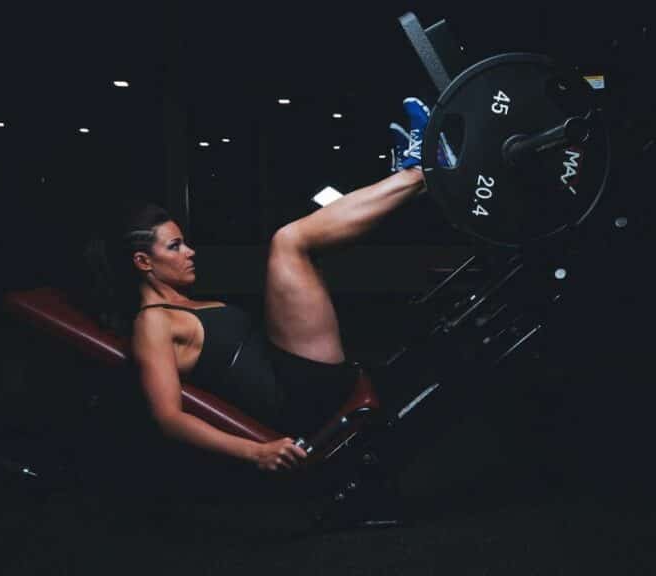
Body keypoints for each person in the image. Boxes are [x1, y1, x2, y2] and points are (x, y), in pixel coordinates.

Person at [101, 98, 453, 473]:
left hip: (295, 374)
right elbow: (167, 418)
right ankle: (420, 172)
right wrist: (256, 451)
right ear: (143, 262)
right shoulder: (151, 323)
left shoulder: (181, 305)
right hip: (297, 396)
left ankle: (413, 180)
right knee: (289, 242)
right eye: (175, 247)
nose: (189, 252)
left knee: (308, 249)